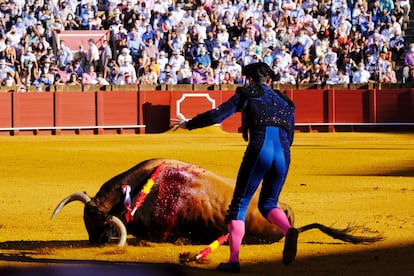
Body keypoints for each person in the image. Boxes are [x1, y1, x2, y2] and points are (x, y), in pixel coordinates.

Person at [174, 62, 298, 272]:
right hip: (284, 154)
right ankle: (288, 230)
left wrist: (189, 124)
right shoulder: (285, 101)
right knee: (268, 204)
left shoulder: (246, 93)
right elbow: (291, 135)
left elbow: (218, 115)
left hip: (260, 148)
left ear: (249, 79)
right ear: (269, 79)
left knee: (239, 206)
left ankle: (233, 260)